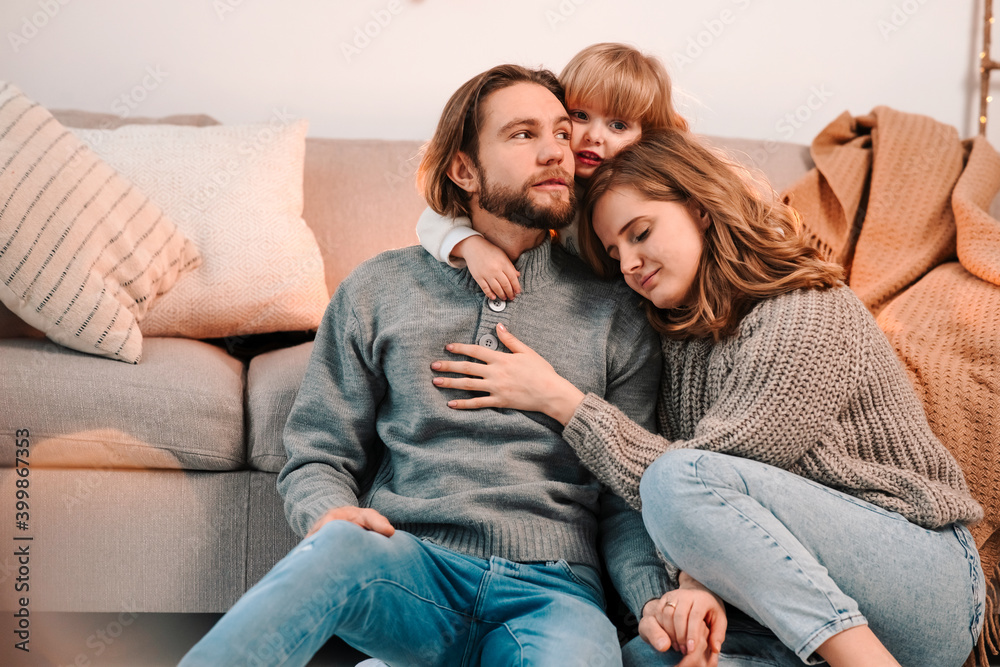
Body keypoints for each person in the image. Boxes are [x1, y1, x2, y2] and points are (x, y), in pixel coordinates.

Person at [430, 128, 986, 667]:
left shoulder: (804, 310)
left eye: (641, 233)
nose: (628, 263)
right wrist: (464, 240)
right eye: (614, 249)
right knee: (648, 658)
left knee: (676, 479)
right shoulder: (674, 345)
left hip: (922, 586)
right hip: (780, 613)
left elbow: (709, 475)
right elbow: (716, 516)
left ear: (699, 207)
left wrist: (562, 400)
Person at [179, 64, 671, 667]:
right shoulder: (378, 287)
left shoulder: (617, 306)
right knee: (336, 548)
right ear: (463, 168)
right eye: (523, 135)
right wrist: (328, 513)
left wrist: (653, 599)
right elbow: (318, 452)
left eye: (563, 134)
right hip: (411, 564)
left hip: (555, 594)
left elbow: (626, 499)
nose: (555, 153)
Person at [417, 42, 688, 302]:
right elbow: (435, 220)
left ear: (645, 136)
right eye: (580, 116)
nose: (594, 136)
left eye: (618, 125)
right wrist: (471, 247)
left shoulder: (650, 191)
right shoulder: (552, 186)